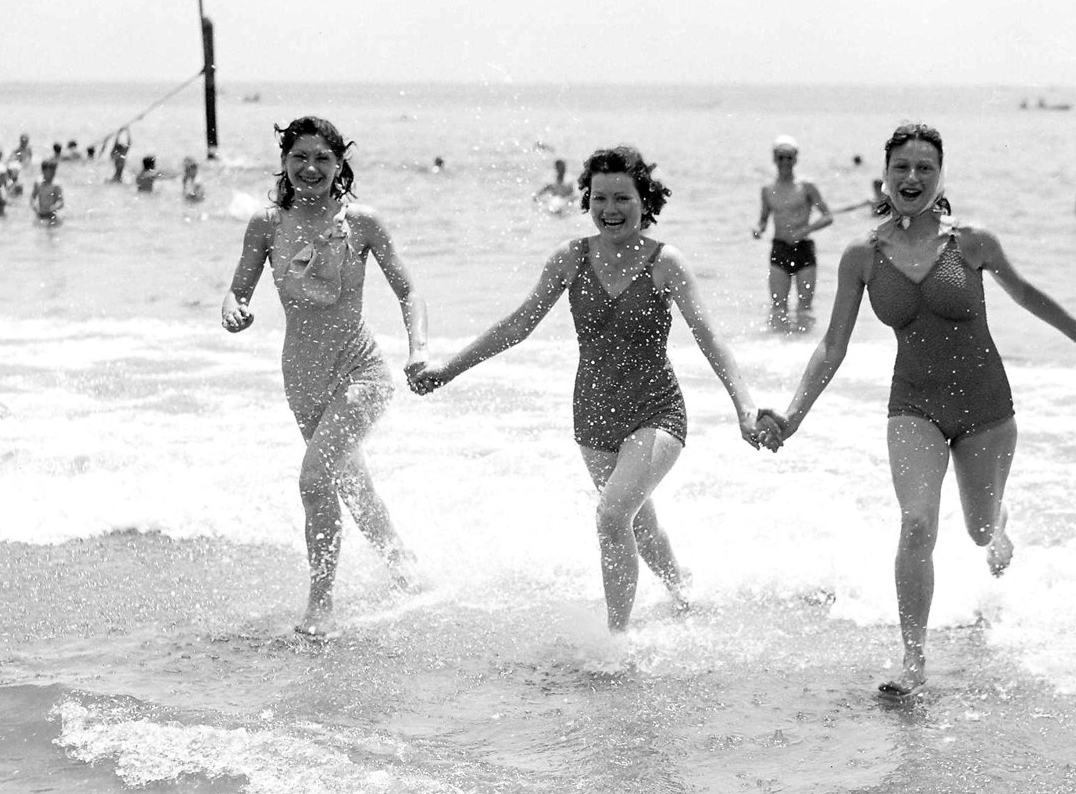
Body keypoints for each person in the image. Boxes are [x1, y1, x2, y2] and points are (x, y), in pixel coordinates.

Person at [761, 123, 1076, 701]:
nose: (912, 177)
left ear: (941, 176)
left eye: (925, 167)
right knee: (917, 521)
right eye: (902, 166)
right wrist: (793, 417)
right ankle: (913, 661)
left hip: (986, 408)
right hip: (914, 405)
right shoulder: (862, 256)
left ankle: (999, 526)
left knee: (978, 532)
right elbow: (832, 345)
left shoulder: (972, 242)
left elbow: (1027, 296)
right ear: (885, 174)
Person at [407, 146, 766, 633]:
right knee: (636, 520)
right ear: (587, 200)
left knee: (611, 515)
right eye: (600, 198)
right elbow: (518, 325)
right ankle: (683, 588)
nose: (610, 210)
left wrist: (745, 407)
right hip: (593, 415)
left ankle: (616, 640)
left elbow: (709, 337)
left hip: (656, 411)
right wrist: (449, 370)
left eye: (622, 198)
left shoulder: (666, 262)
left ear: (646, 199)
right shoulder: (572, 258)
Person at [219, 115, 430, 637]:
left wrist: (418, 349)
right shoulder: (266, 225)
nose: (310, 168)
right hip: (302, 378)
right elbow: (237, 290)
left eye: (322, 159)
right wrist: (232, 310)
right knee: (352, 485)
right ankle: (405, 568)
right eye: (299, 158)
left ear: (340, 166)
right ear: (285, 163)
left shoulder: (363, 222)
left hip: (361, 371)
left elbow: (409, 290)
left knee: (314, 480)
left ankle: (320, 604)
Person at [753, 136, 833, 333]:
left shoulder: (806, 186)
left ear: (796, 159)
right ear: (774, 159)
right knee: (778, 306)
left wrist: (806, 230)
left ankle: (804, 345)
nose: (785, 162)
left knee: (805, 307)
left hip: (804, 248)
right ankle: (778, 343)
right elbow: (763, 219)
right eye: (781, 157)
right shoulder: (768, 190)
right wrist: (758, 229)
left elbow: (827, 216)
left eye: (789, 157)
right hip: (779, 247)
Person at [30, 158, 64, 225]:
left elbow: (61, 201)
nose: (53, 174)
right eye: (51, 172)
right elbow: (33, 196)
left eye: (54, 171)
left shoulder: (56, 185)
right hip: (40, 214)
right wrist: (34, 206)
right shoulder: (38, 183)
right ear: (43, 171)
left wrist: (53, 207)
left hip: (51, 215)